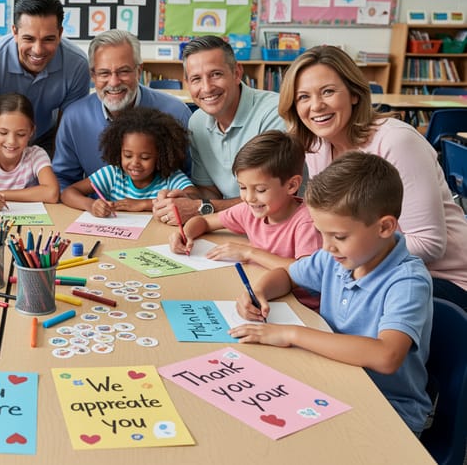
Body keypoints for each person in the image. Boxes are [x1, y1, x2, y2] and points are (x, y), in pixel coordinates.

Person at [232, 152, 433, 435]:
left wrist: (292, 334)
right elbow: (289, 275)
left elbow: (386, 356)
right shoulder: (336, 258)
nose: (326, 246)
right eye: (321, 233)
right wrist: (259, 291)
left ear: (385, 227)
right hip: (331, 382)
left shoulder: (407, 282)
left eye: (338, 237)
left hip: (389, 409)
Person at [280, 45, 467, 310]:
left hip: (441, 280)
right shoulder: (318, 145)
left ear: (354, 94)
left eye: (328, 92)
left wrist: (339, 260)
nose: (316, 106)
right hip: (366, 268)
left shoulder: (396, 141)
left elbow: (429, 244)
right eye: (303, 97)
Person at [168, 130, 322, 309]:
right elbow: (206, 221)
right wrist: (186, 234)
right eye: (242, 187)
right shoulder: (249, 210)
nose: (249, 197)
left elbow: (304, 273)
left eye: (261, 190)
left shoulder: (307, 222)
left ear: (292, 185)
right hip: (264, 294)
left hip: (301, 308)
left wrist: (249, 253)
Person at [152, 35, 286, 225]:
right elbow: (210, 191)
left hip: (277, 227)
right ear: (188, 83)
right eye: (196, 79)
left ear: (237, 73)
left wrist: (202, 207)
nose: (206, 88)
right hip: (230, 226)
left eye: (216, 74)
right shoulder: (197, 122)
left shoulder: (274, 113)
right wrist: (184, 199)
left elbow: (273, 200)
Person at [53, 29, 192, 189]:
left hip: (160, 210)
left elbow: (190, 181)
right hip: (97, 211)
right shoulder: (74, 117)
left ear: (139, 71)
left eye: (123, 71)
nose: (114, 82)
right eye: (104, 73)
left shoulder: (177, 113)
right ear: (93, 75)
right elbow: (63, 180)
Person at [0, 0, 90, 158]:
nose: (38, 50)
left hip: (48, 138)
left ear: (59, 34)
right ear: (15, 32)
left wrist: (58, 178)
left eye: (48, 39)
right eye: (29, 39)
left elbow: (67, 131)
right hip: (0, 138)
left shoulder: (77, 65)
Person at [61, 106, 195, 217]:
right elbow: (68, 193)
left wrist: (142, 204)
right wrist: (90, 205)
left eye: (145, 157)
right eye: (128, 155)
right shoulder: (113, 174)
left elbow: (194, 197)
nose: (135, 163)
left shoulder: (170, 178)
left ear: (162, 156)